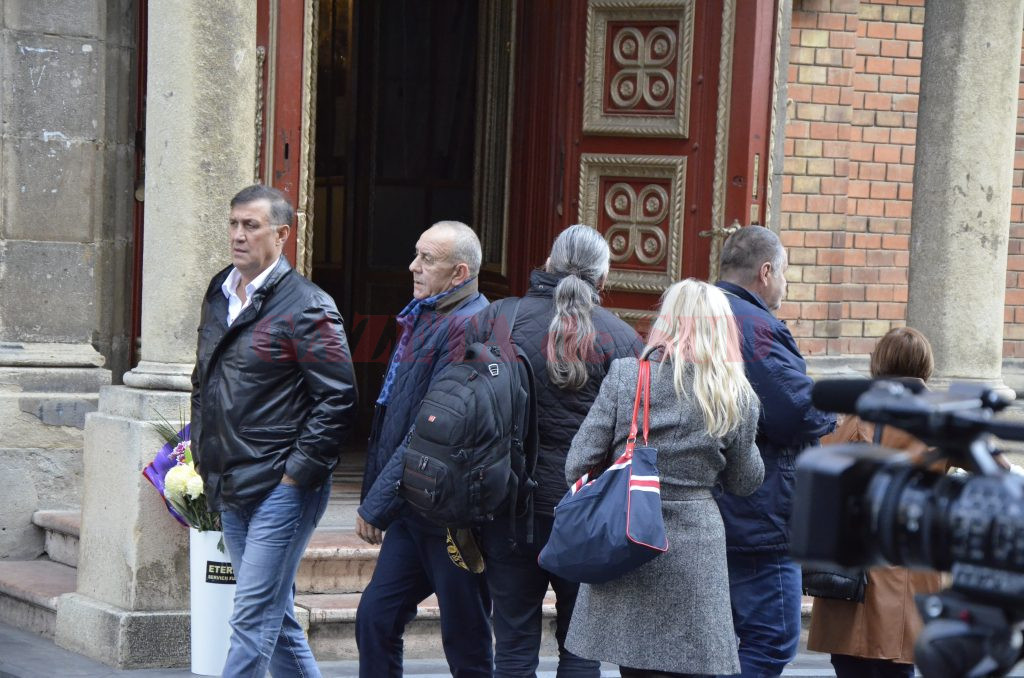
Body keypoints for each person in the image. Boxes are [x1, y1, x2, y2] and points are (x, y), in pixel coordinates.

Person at [190, 184, 358, 677]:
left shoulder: (308, 304)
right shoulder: (220, 291)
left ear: (282, 234)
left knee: (251, 618)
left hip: (281, 488)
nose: (238, 235)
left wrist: (295, 474)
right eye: (233, 224)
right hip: (230, 478)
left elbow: (338, 398)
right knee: (274, 618)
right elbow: (204, 378)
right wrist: (202, 449)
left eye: (251, 225)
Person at [466, 224, 643, 677]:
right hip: (588, 512)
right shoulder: (623, 339)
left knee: (513, 646)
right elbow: (635, 436)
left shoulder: (496, 319)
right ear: (603, 279)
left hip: (507, 505)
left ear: (549, 262)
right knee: (581, 648)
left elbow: (463, 407)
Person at [563, 278, 765, 677]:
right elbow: (746, 481)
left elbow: (577, 464)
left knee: (634, 666)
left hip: (627, 539)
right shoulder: (735, 394)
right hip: (697, 549)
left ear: (666, 321)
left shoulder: (627, 377)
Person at [354, 221, 492, 678]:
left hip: (451, 513)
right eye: (416, 254)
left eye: (426, 259)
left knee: (466, 642)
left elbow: (431, 427)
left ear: (459, 273)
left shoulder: (469, 325)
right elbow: (395, 411)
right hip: (414, 505)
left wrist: (377, 503)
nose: (413, 266)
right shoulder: (428, 314)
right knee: (376, 618)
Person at [714, 225, 836, 678]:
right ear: (766, 272)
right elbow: (795, 411)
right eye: (784, 273)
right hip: (758, 513)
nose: (785, 284)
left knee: (720, 643)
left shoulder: (693, 314)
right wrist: (832, 410)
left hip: (707, 506)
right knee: (772, 638)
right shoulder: (755, 325)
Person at [807, 327, 944, 678]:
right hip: (910, 564)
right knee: (897, 666)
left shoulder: (858, 413)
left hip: (854, 567)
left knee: (851, 665)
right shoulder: (940, 417)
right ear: (926, 365)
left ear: (878, 362)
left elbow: (821, 467)